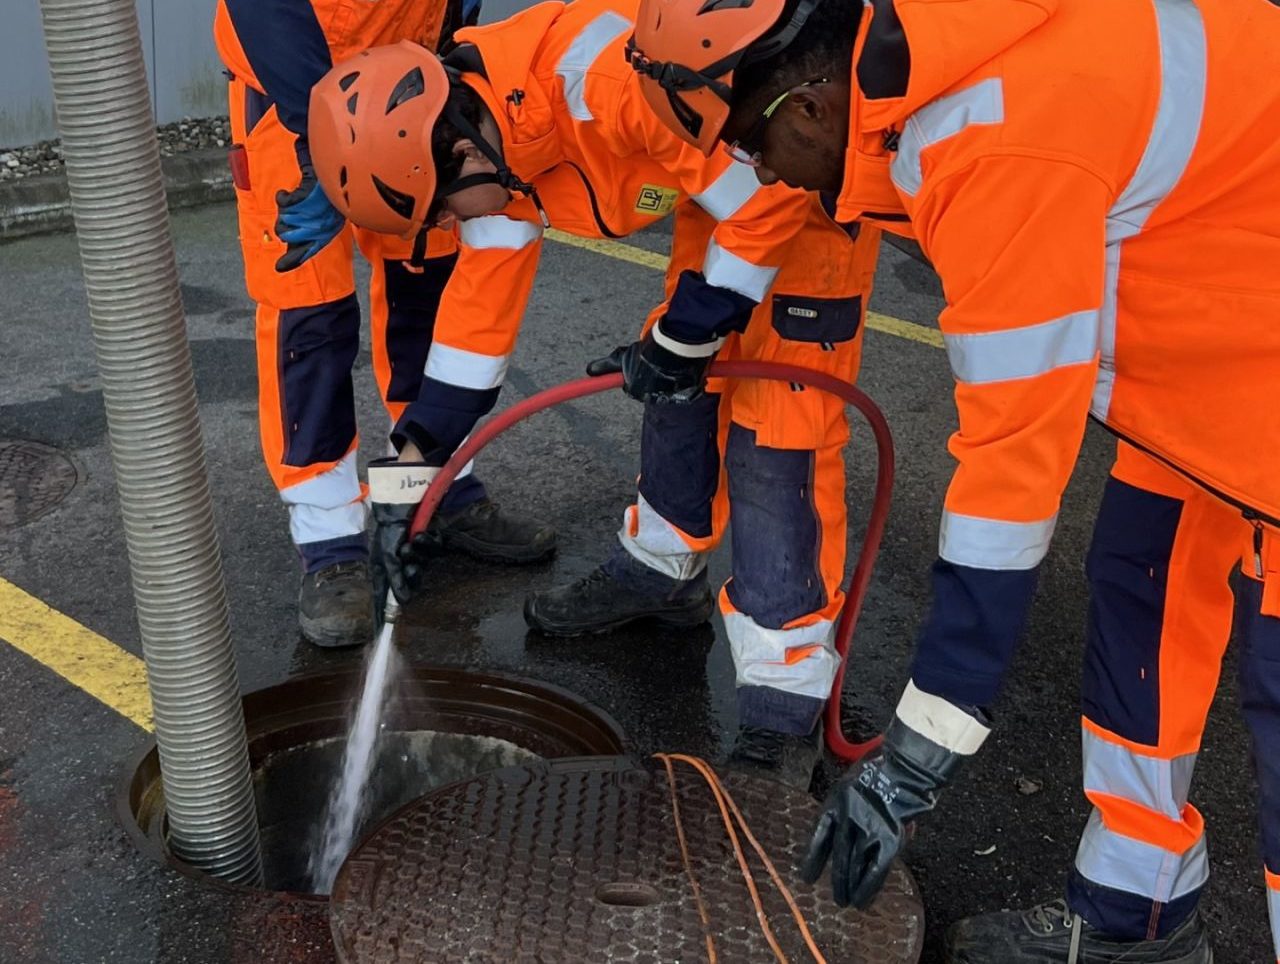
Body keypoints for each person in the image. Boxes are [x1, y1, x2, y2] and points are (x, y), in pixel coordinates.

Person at [627, 0, 1280, 959]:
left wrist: (916, 758)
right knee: (1141, 596)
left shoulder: (993, 145)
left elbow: (1012, 477)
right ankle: (1134, 917)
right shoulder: (892, 57)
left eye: (754, 150)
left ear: (806, 109)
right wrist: (683, 332)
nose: (758, 176)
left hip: (1247, 355)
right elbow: (786, 193)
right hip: (1213, 351)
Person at [305, 0, 883, 787]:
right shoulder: (491, 153)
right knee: (679, 388)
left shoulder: (600, 83)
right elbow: (475, 330)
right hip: (717, 196)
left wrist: (688, 333)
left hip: (799, 191)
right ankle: (663, 569)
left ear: (459, 149)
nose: (443, 225)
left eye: (437, 208)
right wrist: (409, 480)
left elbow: (771, 194)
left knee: (778, 436)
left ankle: (784, 701)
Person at [213, 0, 555, 649]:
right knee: (308, 316)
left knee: (426, 284)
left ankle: (429, 484)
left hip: (413, 93)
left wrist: (449, 68)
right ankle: (330, 541)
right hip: (296, 94)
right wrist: (319, 139)